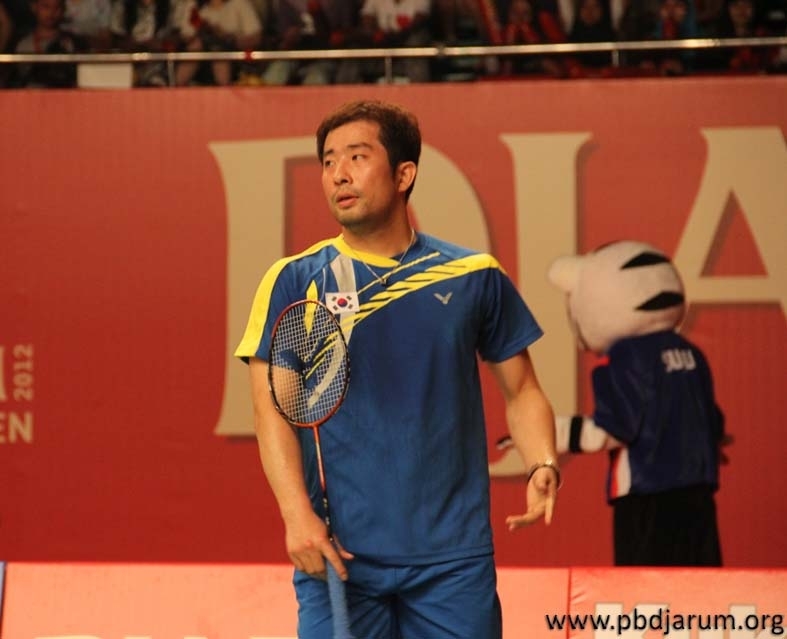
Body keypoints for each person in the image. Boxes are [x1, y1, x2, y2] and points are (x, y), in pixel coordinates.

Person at [235, 99, 560, 639]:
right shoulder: (295, 280)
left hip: (453, 560)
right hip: (338, 553)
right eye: (328, 161)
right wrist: (296, 515)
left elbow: (523, 389)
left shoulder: (473, 276)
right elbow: (273, 409)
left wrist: (541, 463)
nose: (338, 174)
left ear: (404, 174)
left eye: (357, 157)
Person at [11, 0, 84, 87]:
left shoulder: (72, 43)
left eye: (57, 7)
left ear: (63, 9)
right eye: (46, 6)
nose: (51, 12)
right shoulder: (23, 45)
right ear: (34, 7)